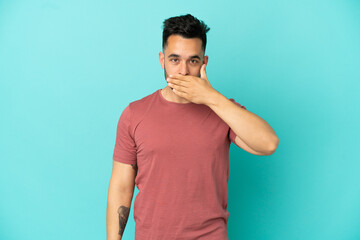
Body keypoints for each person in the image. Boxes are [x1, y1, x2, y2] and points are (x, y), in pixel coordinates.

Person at [106, 14, 279, 240]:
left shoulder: (222, 110)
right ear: (162, 60)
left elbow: (268, 144)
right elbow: (121, 187)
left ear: (204, 63)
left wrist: (211, 98)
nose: (184, 71)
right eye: (175, 60)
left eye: (193, 61)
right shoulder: (134, 114)